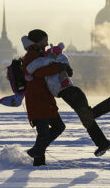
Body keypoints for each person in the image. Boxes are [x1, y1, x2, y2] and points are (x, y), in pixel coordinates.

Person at [21, 39, 110, 157]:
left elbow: (44, 66)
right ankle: (103, 143)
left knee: (88, 116)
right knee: (87, 118)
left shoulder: (53, 64)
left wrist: (60, 66)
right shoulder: (50, 65)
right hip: (70, 94)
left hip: (72, 93)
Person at [22, 29, 66, 166]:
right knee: (45, 134)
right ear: (38, 40)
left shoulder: (40, 53)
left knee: (58, 127)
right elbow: (40, 73)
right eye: (45, 40)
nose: (47, 43)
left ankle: (37, 153)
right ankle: (38, 159)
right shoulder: (31, 55)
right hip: (37, 100)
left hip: (45, 99)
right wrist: (58, 67)